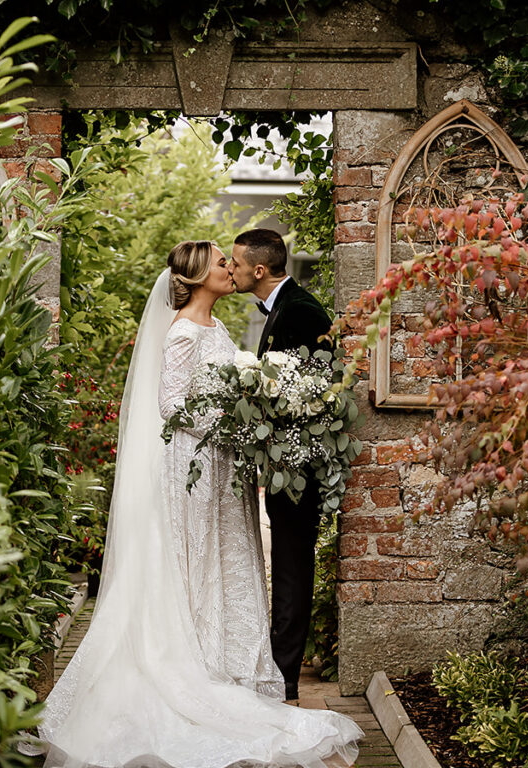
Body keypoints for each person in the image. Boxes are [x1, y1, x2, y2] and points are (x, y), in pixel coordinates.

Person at [23, 241, 360, 768]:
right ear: (197, 275)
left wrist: (250, 409)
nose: (230, 268)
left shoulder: (219, 329)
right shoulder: (181, 332)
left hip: (223, 462)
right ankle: (194, 666)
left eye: (232, 262)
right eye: (221, 263)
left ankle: (223, 662)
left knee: (227, 557)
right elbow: (171, 404)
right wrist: (232, 419)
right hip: (195, 465)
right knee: (195, 558)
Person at [229, 229, 333, 702]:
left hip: (297, 466)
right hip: (280, 463)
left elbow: (310, 395)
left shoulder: (303, 312)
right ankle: (278, 668)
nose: (229, 269)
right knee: (288, 565)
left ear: (258, 269)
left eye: (234, 262)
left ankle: (285, 676)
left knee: (292, 566)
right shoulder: (284, 308)